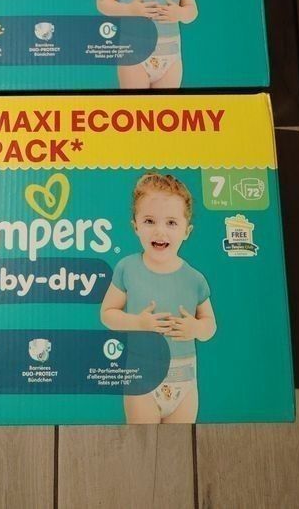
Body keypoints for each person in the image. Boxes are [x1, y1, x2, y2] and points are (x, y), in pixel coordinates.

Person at [100, 173, 216, 423]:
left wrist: (196, 328)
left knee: (179, 443)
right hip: (142, 375)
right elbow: (107, 314)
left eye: (171, 223)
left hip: (185, 379)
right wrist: (138, 323)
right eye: (150, 221)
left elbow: (210, 326)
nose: (160, 231)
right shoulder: (127, 268)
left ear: (187, 231)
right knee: (143, 441)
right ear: (136, 226)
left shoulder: (195, 278)